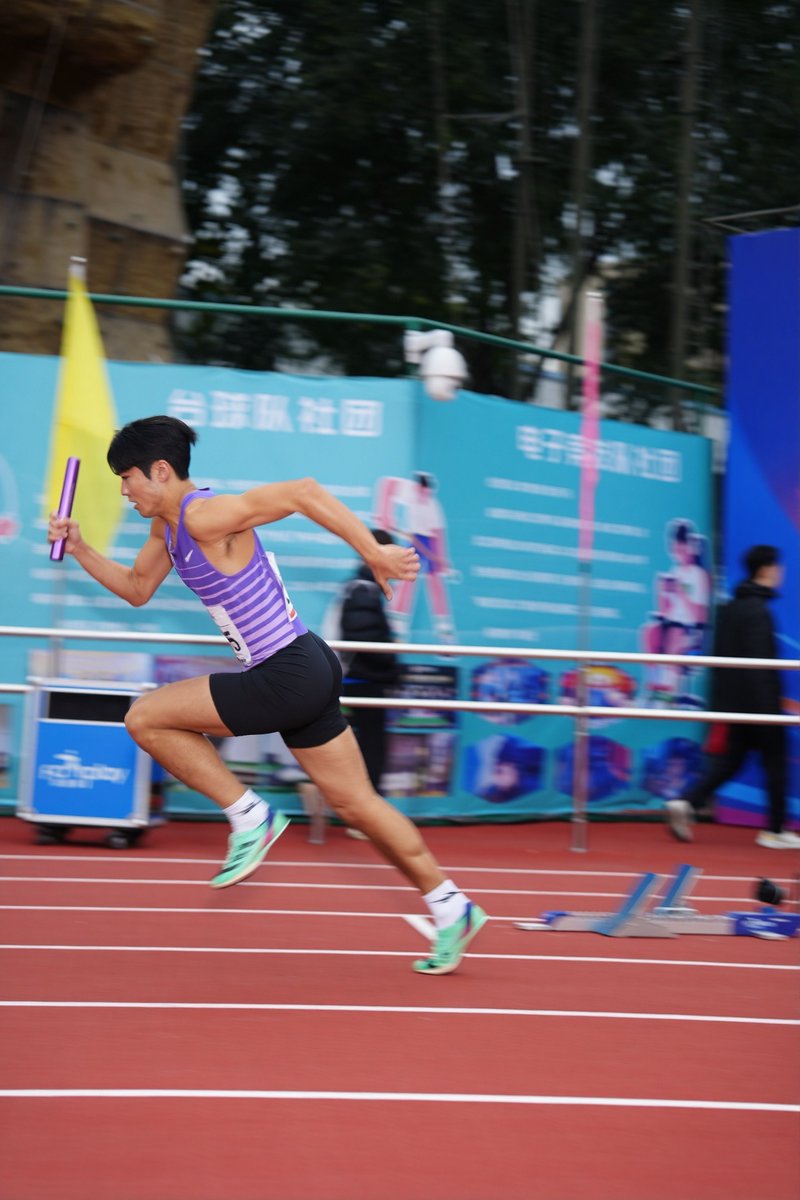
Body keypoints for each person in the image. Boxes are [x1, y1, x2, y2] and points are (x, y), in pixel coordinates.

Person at [47, 415, 487, 973]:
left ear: (160, 471)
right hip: (306, 666)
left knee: (145, 718)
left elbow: (302, 492)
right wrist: (81, 547)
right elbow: (136, 589)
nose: (123, 490)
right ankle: (452, 907)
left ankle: (250, 815)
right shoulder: (166, 531)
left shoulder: (205, 515)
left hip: (288, 671)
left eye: (127, 477)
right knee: (359, 805)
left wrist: (373, 553)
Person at [665, 544, 800, 849]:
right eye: (778, 566)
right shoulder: (758, 612)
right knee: (775, 763)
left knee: (731, 763)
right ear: (765, 569)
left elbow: (723, 661)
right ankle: (775, 830)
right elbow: (760, 667)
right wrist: (770, 713)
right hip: (758, 706)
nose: (782, 572)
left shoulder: (731, 608)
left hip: (735, 704)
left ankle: (686, 802)